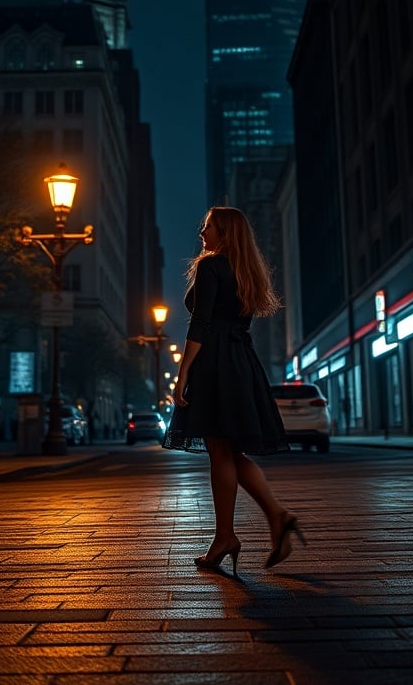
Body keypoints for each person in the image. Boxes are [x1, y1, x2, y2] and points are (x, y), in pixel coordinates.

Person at [163, 206, 306, 575]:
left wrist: (183, 371)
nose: (202, 233)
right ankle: (273, 517)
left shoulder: (211, 267)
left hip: (215, 363)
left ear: (224, 232)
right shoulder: (247, 272)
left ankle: (228, 535)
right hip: (241, 361)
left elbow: (201, 321)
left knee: (219, 449)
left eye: (207, 226)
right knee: (230, 449)